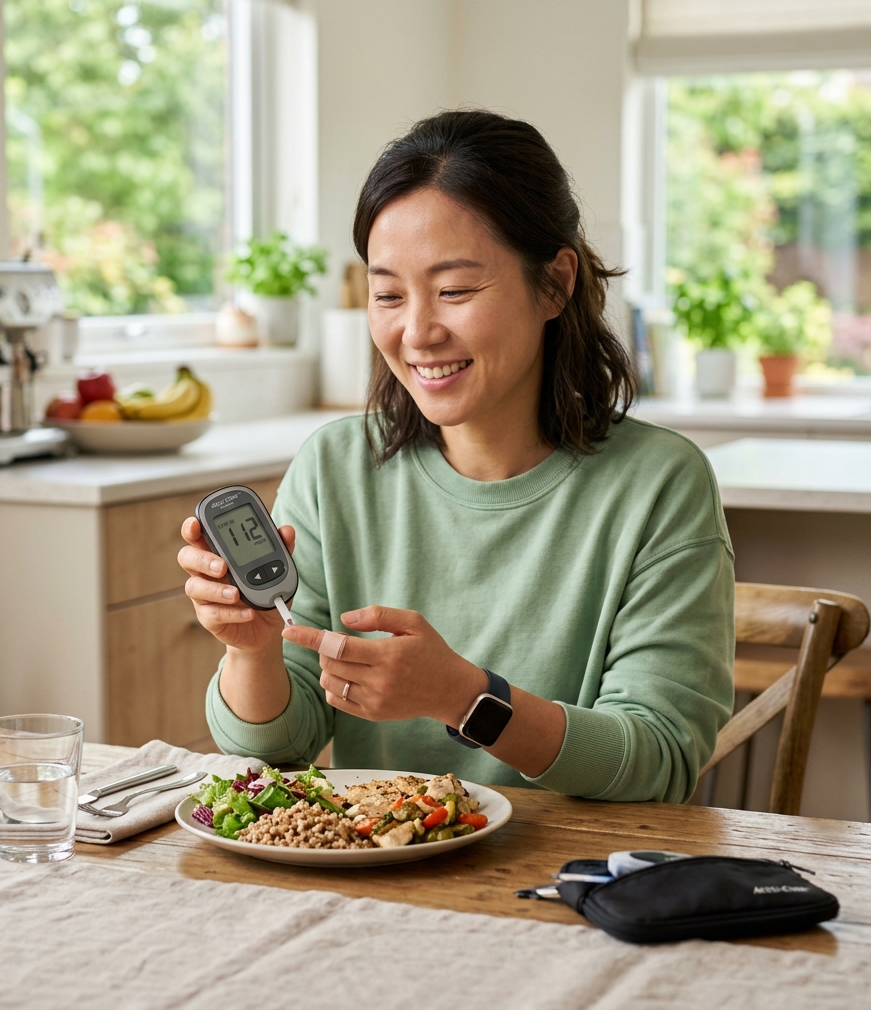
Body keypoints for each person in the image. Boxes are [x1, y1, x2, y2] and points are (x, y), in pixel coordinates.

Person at [179, 110, 734, 802]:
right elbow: (279, 747)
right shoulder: (334, 469)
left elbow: (661, 757)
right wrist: (251, 647)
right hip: (380, 874)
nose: (417, 332)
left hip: (577, 882)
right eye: (388, 295)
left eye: (455, 291)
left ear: (556, 283)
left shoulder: (659, 483)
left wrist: (469, 700)